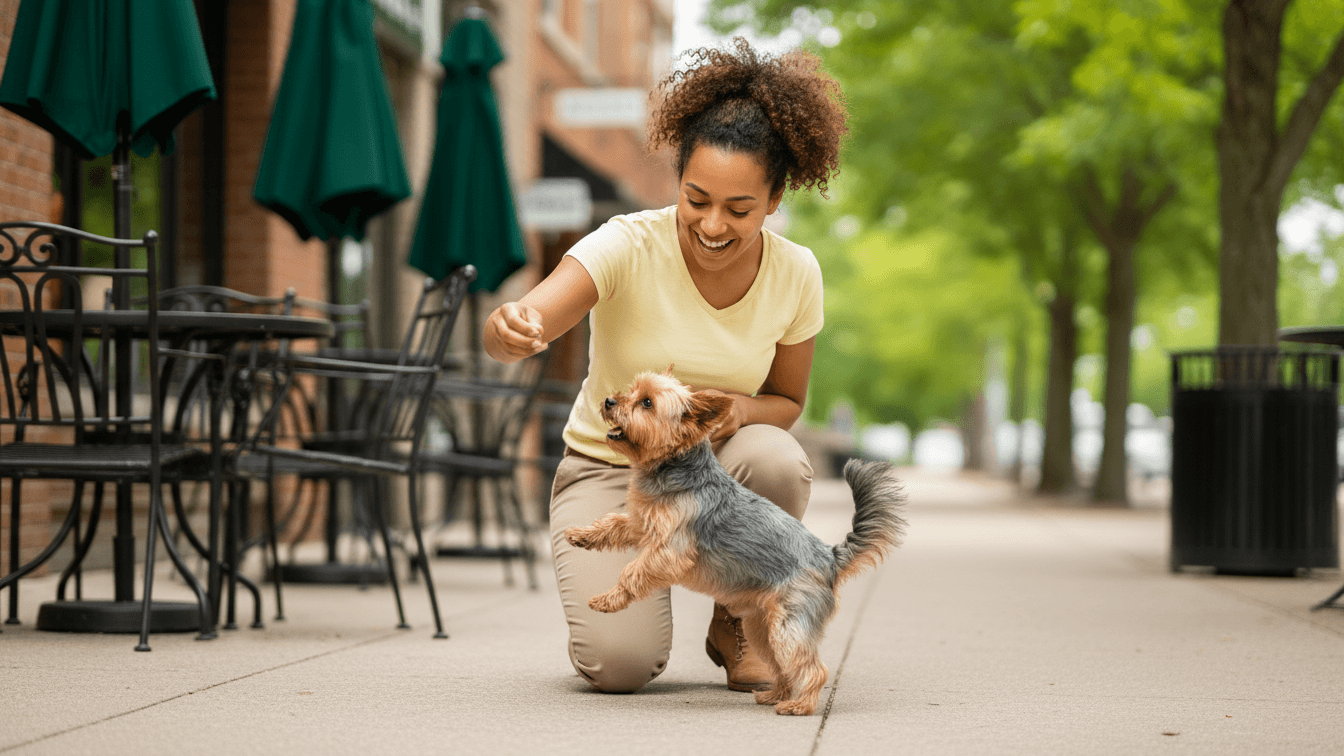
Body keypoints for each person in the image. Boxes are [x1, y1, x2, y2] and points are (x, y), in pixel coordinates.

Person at [483, 38, 848, 694]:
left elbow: (788, 403)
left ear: (775, 199)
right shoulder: (627, 242)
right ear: (678, 178)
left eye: (739, 209)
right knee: (619, 667)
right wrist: (510, 329)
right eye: (696, 197)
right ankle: (634, 618)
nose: (711, 224)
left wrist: (738, 410)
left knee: (774, 456)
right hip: (609, 469)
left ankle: (736, 617)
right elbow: (532, 314)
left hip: (716, 477)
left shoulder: (797, 273)